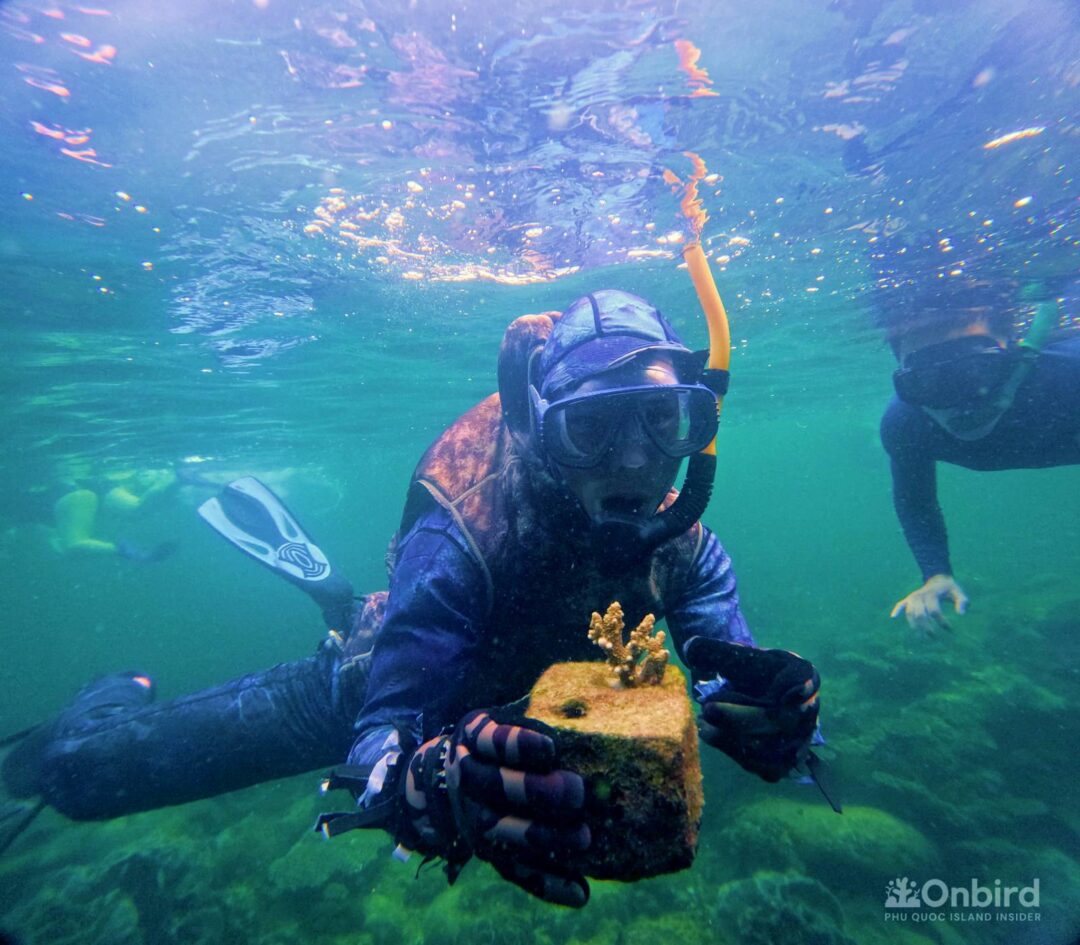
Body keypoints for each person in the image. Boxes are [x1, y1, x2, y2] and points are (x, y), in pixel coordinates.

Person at [2, 289, 823, 907]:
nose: (640, 463)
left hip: (509, 700)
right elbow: (382, 730)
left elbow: (724, 664)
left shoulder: (685, 544)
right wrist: (414, 779)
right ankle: (69, 730)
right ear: (544, 430)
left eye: (664, 421)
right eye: (592, 430)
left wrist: (764, 714)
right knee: (83, 776)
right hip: (385, 671)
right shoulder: (466, 523)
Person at [880, 280, 1080, 635]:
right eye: (925, 382)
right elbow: (916, 502)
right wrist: (935, 574)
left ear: (1014, 353)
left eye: (973, 372)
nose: (957, 404)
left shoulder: (1070, 376)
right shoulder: (907, 424)